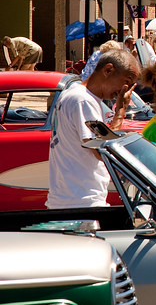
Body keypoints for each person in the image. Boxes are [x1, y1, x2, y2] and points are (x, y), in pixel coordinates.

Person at [46, 47, 140, 209]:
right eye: (126, 82)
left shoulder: (75, 94)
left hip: (72, 199)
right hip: (80, 202)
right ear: (108, 70)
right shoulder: (84, 101)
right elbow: (102, 149)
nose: (125, 90)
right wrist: (120, 112)